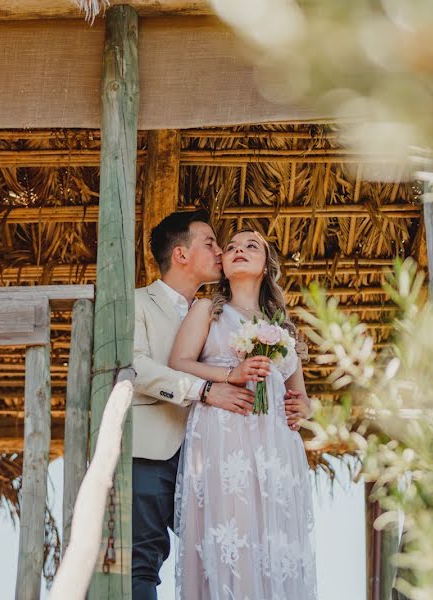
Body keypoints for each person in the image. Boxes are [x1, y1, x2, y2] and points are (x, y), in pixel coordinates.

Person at [131, 212, 309, 600]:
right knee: (146, 560)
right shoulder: (141, 304)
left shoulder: (229, 310)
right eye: (215, 243)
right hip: (168, 448)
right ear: (181, 254)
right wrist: (210, 389)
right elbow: (135, 368)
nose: (223, 250)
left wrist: (301, 403)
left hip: (244, 450)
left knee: (253, 549)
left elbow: (296, 380)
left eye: (245, 246)